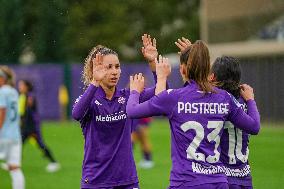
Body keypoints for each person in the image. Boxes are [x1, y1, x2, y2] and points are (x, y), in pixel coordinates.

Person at [126, 40, 260, 189]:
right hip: (218, 182)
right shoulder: (225, 98)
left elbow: (132, 111)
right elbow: (254, 127)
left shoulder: (174, 98)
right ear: (208, 72)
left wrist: (135, 91)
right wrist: (251, 101)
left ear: (182, 69)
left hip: (186, 181)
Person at [72, 34, 159, 189]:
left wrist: (152, 62)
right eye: (108, 67)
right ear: (96, 69)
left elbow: (161, 91)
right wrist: (94, 82)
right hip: (96, 180)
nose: (114, 72)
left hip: (127, 180)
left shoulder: (128, 97)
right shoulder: (89, 99)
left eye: (117, 67)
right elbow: (76, 114)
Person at [210, 56, 254, 189]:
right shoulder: (246, 101)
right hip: (244, 175)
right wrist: (251, 100)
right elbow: (255, 125)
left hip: (222, 176)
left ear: (214, 77)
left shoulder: (216, 102)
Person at [18, 79, 60, 172]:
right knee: (18, 144)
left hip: (32, 127)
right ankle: (14, 164)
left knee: (40, 144)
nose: (19, 87)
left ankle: (54, 162)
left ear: (27, 87)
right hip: (25, 127)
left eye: (21, 85)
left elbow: (29, 110)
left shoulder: (30, 96)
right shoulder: (22, 96)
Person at [0, 66, 25, 189]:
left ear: (2, 78)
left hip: (3, 136)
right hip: (15, 136)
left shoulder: (2, 92)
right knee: (15, 168)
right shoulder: (13, 91)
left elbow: (2, 114)